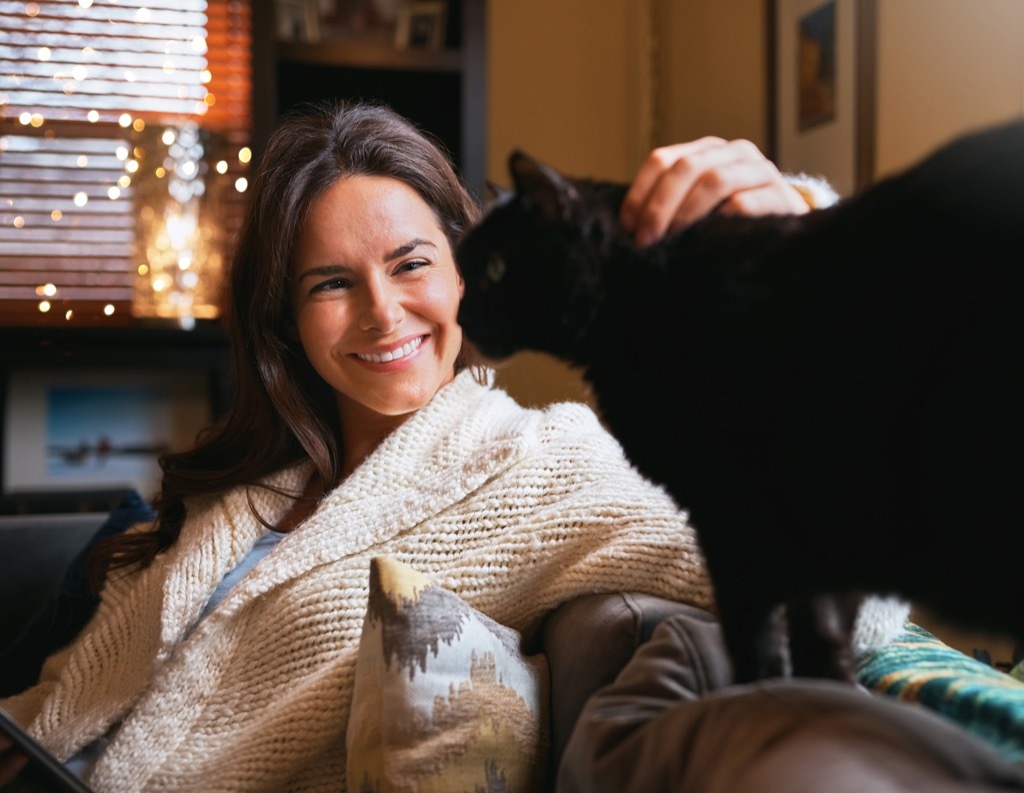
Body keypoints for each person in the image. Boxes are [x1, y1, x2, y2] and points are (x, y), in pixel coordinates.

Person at [0, 99, 882, 792]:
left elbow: (855, 580)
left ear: (467, 269)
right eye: (333, 283)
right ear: (287, 319)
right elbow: (74, 693)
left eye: (412, 262)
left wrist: (804, 245)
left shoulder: (539, 465)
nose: (383, 313)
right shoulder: (254, 481)